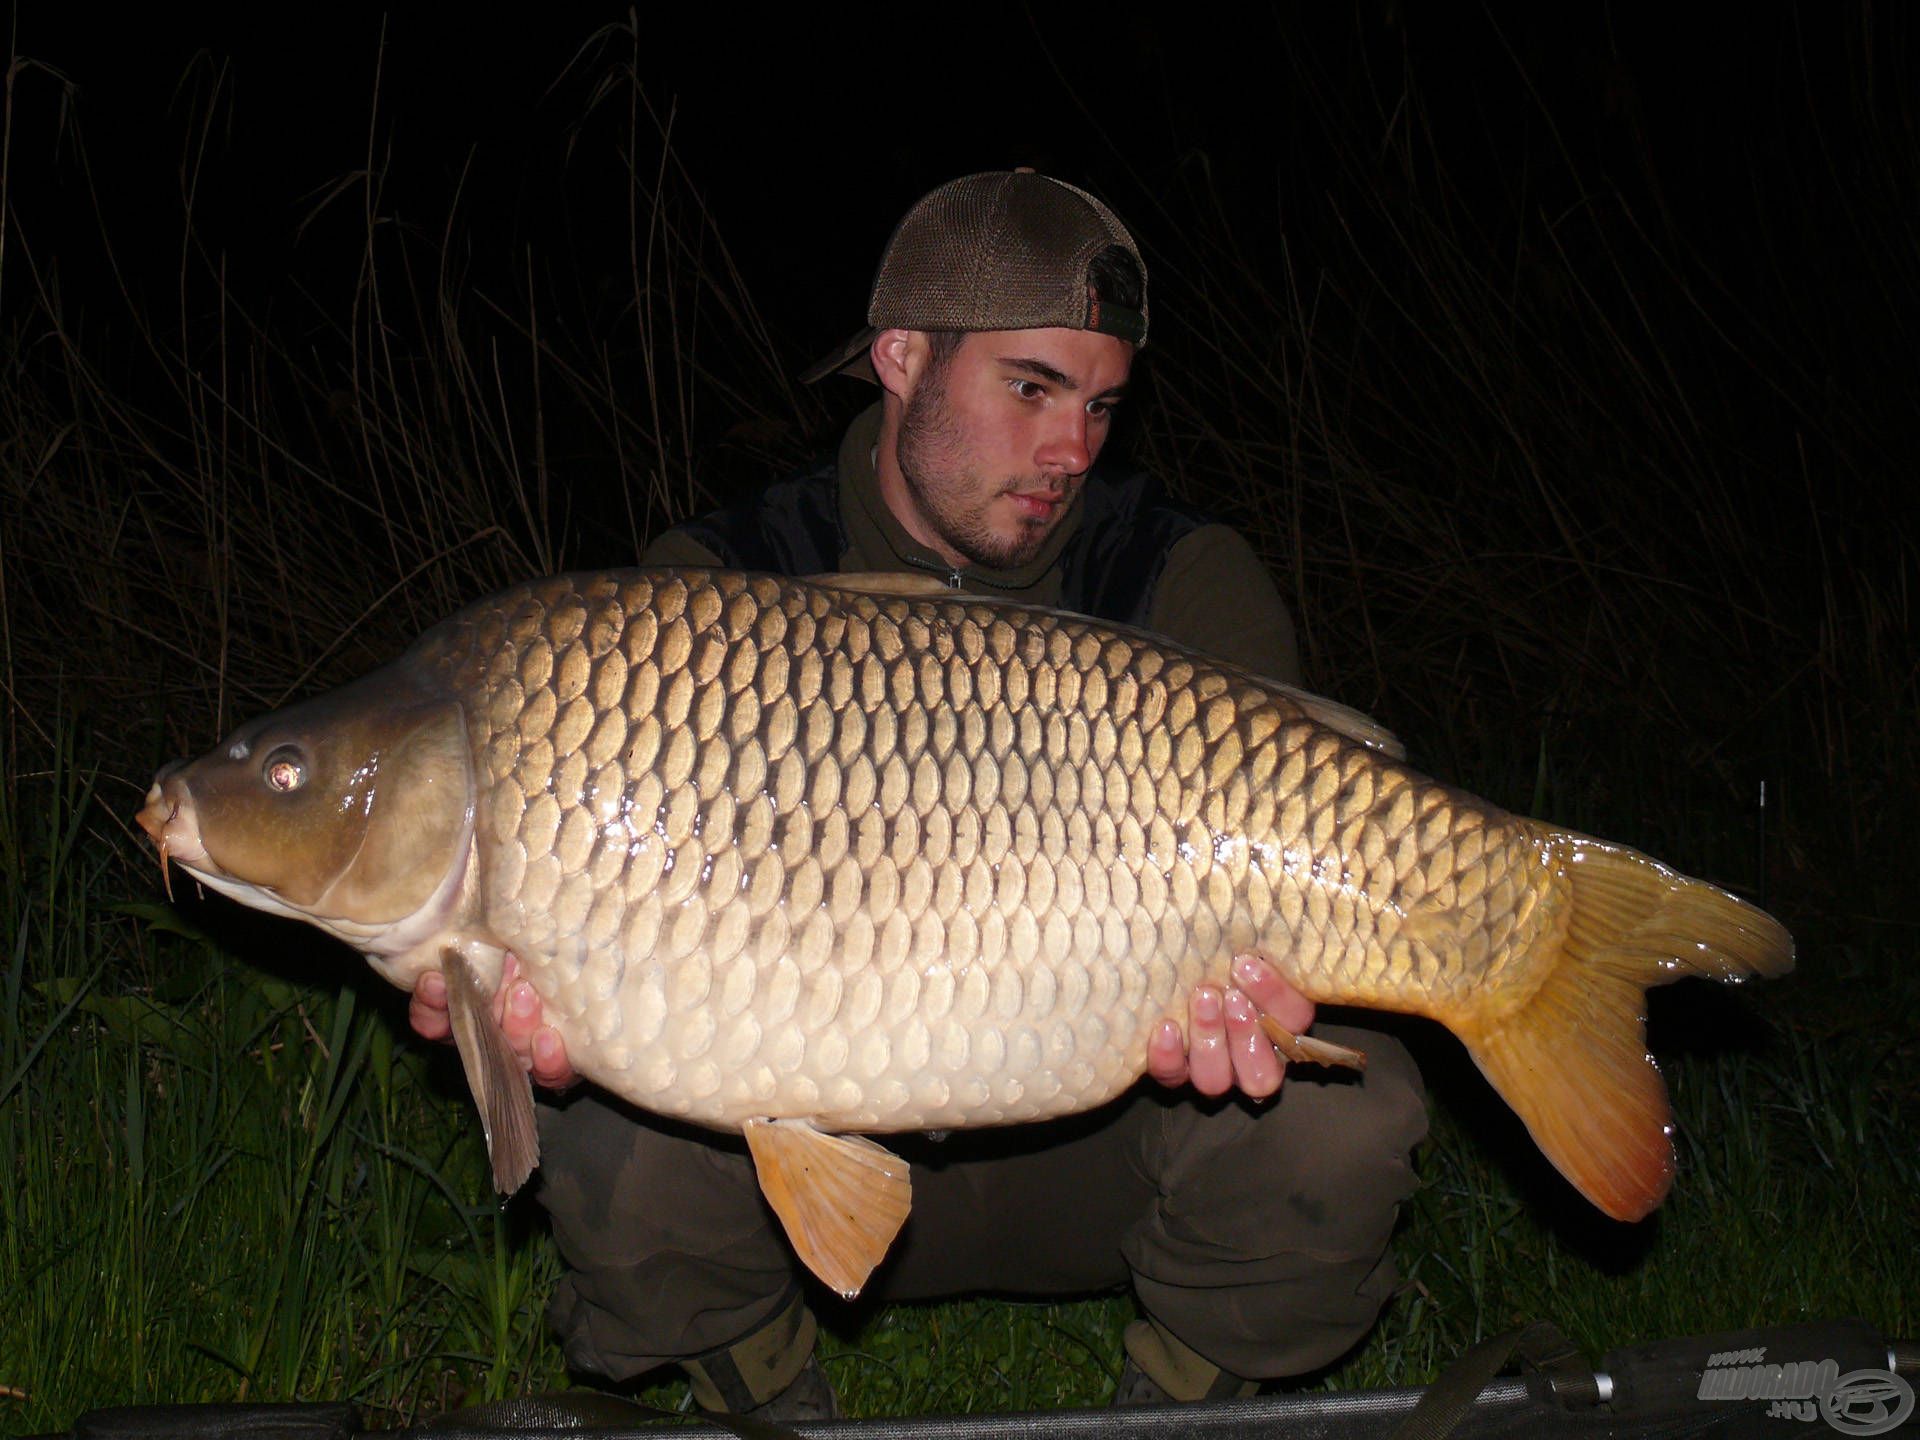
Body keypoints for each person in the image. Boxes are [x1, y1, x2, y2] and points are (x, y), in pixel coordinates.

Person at [410, 170, 1427, 1420]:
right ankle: (770, 1400)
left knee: (1345, 1106)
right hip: (794, 1169)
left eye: (1103, 404)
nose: (1075, 449)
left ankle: (1176, 1402)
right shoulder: (706, 598)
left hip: (1102, 1143)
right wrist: (531, 1004)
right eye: (1031, 389)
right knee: (605, 1117)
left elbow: (1296, 874)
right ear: (902, 359)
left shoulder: (1181, 584)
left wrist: (1256, 1004)